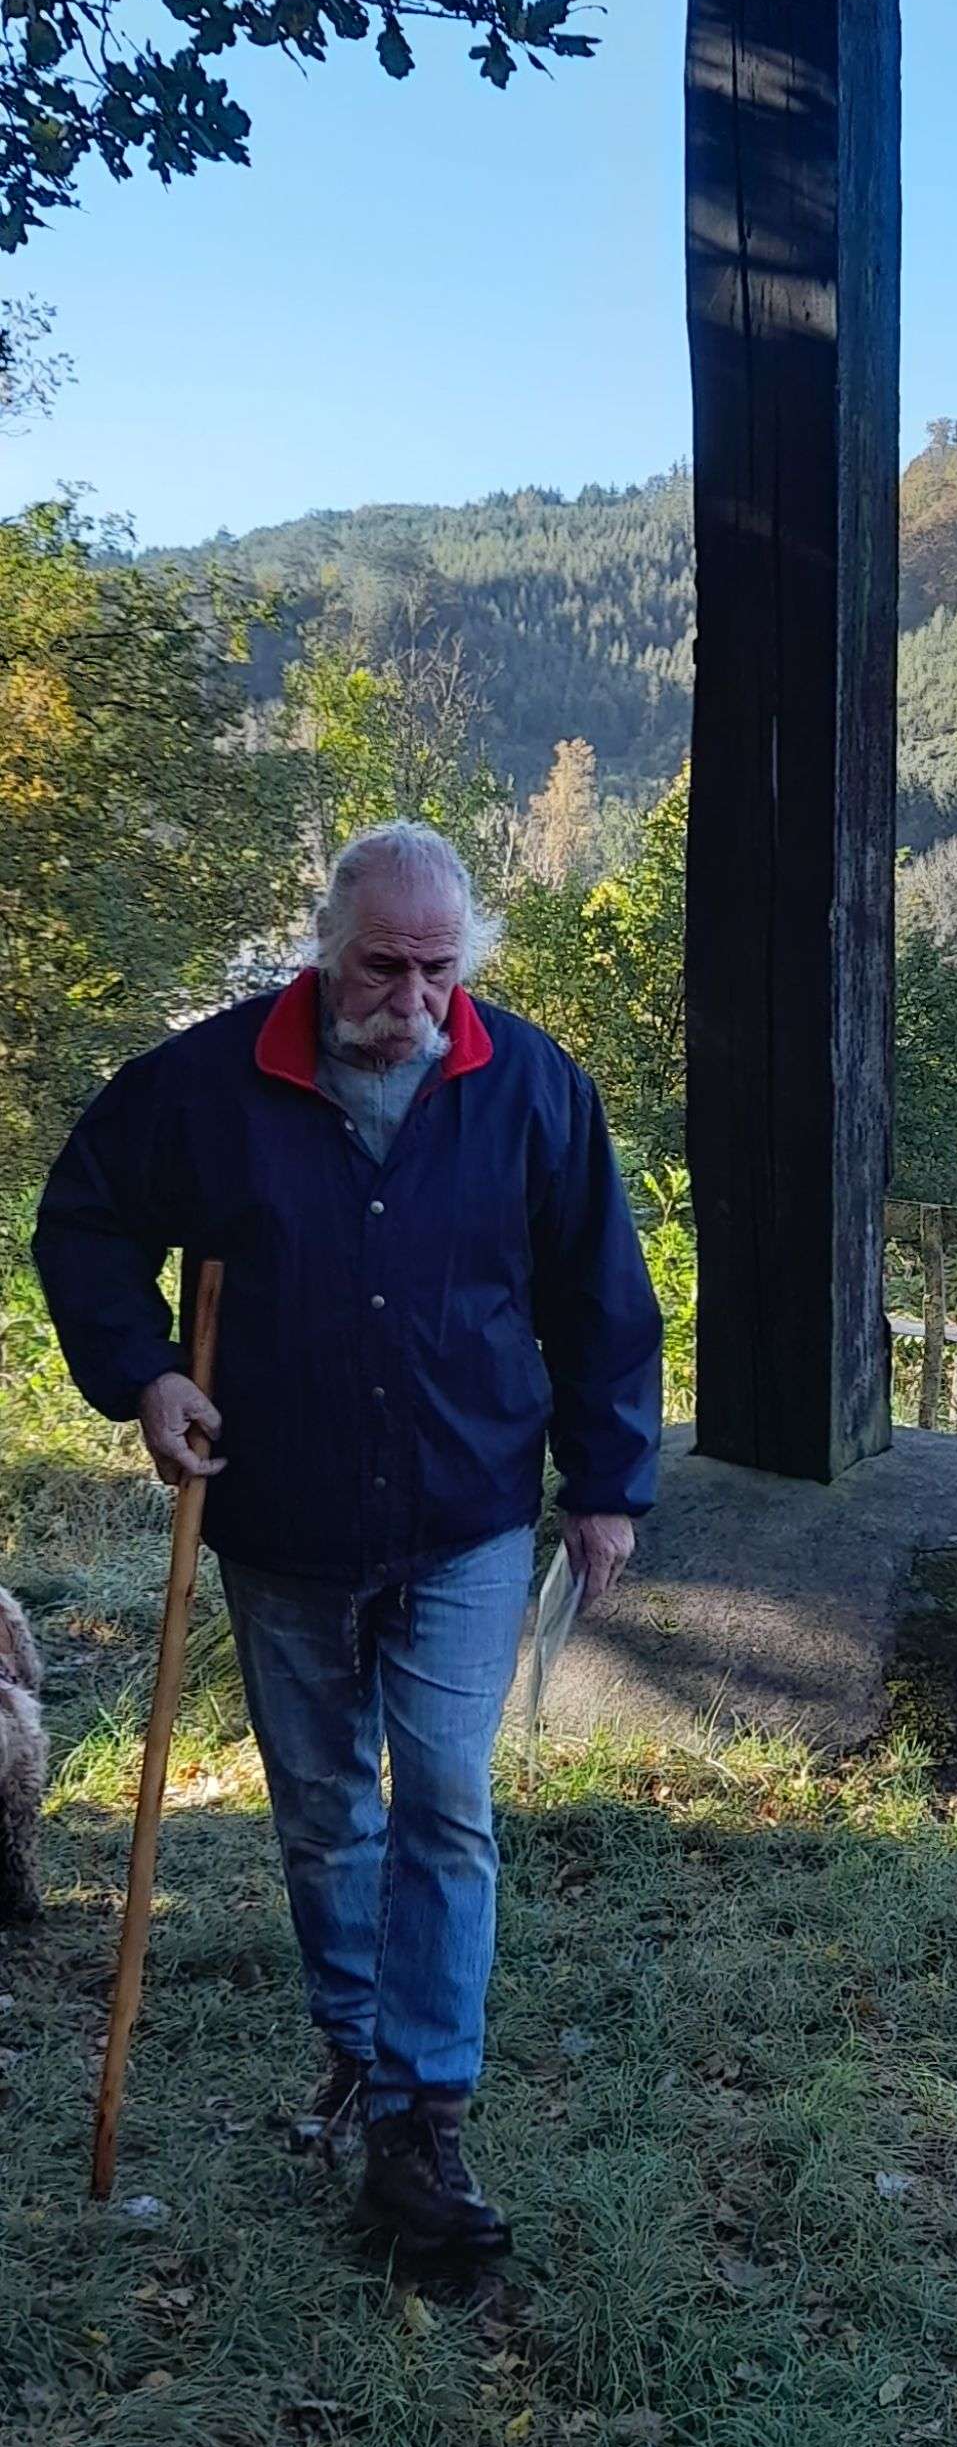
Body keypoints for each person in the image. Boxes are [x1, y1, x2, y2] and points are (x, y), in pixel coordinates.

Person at [34, 821, 663, 2259]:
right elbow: (83, 1220)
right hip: (282, 1513)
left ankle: (421, 2114)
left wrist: (608, 1484)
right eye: (384, 966)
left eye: (440, 969)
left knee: (445, 1799)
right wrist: (147, 1375)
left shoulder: (530, 1087)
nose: (414, 998)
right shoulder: (212, 1082)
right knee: (326, 1812)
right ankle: (357, 2046)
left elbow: (602, 1294)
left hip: (466, 1512)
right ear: (328, 946)